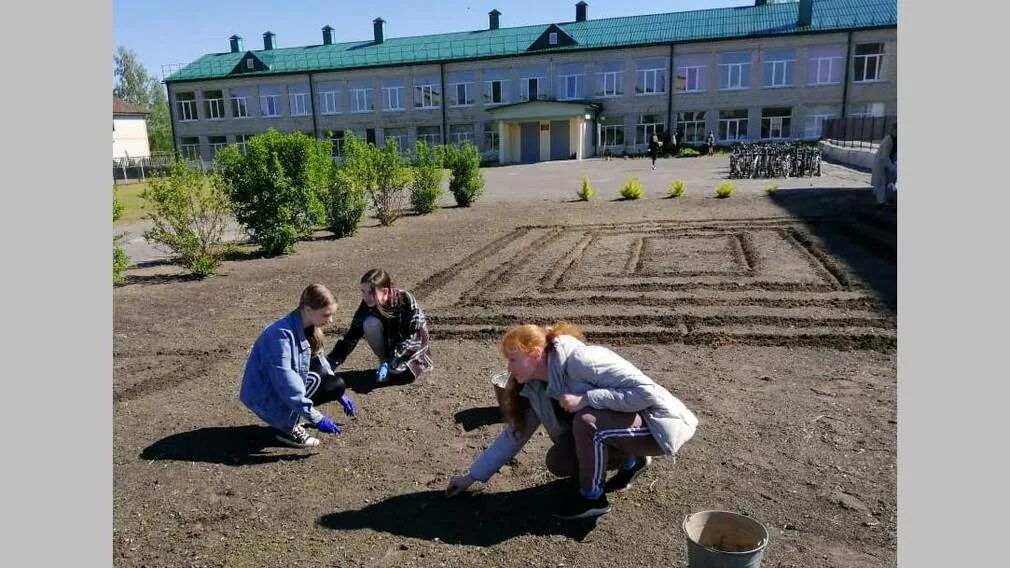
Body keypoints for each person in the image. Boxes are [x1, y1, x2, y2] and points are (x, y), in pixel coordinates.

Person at [445, 322, 698, 520]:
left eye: (513, 359)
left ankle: (592, 500)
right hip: (621, 431)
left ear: (534, 354)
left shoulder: (582, 361)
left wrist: (585, 398)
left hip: (654, 428)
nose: (509, 368)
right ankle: (632, 461)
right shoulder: (535, 387)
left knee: (587, 421)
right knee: (559, 461)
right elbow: (515, 434)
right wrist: (471, 477)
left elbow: (647, 393)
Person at [239, 284, 356, 449]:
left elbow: (320, 361)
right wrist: (317, 418)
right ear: (308, 309)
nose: (330, 321)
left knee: (335, 384)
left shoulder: (307, 327)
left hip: (279, 384)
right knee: (306, 388)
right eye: (326, 315)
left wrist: (338, 392)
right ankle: (287, 427)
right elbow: (287, 384)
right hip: (264, 394)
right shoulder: (280, 336)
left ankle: (289, 417)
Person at [327, 268, 433, 383]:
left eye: (371, 293)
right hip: (390, 349)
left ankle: (390, 364)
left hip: (411, 349)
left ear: (386, 291)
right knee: (369, 323)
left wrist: (392, 358)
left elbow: (412, 336)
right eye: (363, 292)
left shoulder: (406, 299)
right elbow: (352, 334)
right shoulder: (367, 304)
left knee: (401, 374)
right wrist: (332, 362)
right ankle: (384, 361)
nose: (366, 297)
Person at [871, 123, 897, 208]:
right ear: (894, 129)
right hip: (880, 162)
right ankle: (881, 203)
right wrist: (892, 167)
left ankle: (885, 200)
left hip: (888, 162)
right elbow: (885, 156)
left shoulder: (896, 139)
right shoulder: (889, 139)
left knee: (888, 182)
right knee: (881, 182)